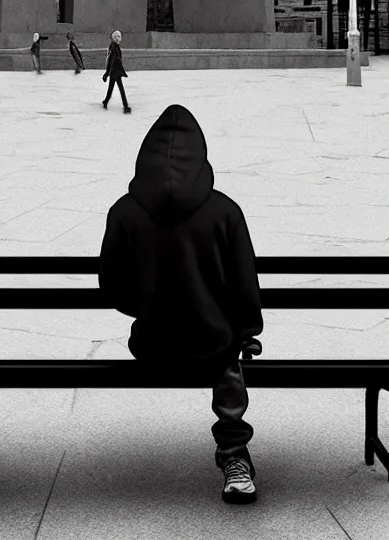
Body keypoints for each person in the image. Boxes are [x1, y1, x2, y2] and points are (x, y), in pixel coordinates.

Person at [98, 104, 264, 504]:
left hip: (151, 343)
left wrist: (147, 304)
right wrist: (246, 334)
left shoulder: (124, 212)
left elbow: (112, 287)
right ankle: (234, 456)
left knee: (217, 344)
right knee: (229, 360)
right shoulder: (225, 211)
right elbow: (244, 285)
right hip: (214, 344)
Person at [102, 29, 131, 113]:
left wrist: (107, 73)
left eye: (120, 36)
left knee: (111, 88)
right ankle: (125, 106)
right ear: (114, 38)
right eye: (118, 36)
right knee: (121, 89)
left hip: (113, 72)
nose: (120, 38)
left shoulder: (113, 46)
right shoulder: (115, 47)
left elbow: (110, 60)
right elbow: (116, 60)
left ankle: (105, 101)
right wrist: (123, 72)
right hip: (116, 72)